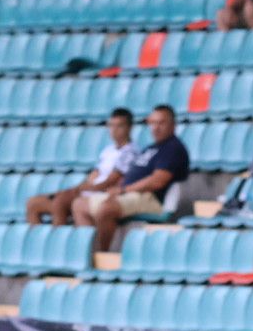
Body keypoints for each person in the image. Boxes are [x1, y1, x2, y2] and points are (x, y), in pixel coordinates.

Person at [74, 104, 189, 250]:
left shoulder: (173, 148)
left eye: (161, 123)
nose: (156, 127)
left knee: (106, 209)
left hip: (151, 198)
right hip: (130, 194)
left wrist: (124, 190)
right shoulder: (151, 148)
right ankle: (88, 252)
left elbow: (158, 181)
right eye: (153, 123)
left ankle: (102, 254)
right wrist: (118, 189)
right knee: (79, 204)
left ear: (173, 125)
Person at [25, 108, 137, 224]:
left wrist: (82, 189)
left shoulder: (130, 152)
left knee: (60, 202)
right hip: (89, 191)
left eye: (119, 126)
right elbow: (94, 175)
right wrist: (78, 189)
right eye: (111, 126)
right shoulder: (108, 150)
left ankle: (59, 238)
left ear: (129, 128)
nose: (114, 130)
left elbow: (111, 180)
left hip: (101, 195)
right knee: (33, 203)